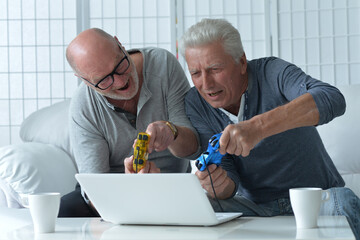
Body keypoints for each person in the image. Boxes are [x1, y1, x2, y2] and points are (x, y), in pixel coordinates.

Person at [180, 18, 359, 239]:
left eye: (215, 69)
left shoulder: (271, 72)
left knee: (346, 201)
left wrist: (258, 127)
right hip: (256, 206)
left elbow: (332, 99)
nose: (206, 84)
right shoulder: (195, 103)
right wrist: (218, 182)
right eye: (196, 73)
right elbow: (229, 182)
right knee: (200, 210)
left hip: (316, 198)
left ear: (242, 62)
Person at [59, 28, 200, 217]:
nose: (120, 82)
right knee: (62, 211)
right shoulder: (83, 104)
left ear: (120, 45)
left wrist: (171, 132)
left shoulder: (163, 65)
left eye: (120, 66)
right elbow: (95, 190)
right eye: (104, 80)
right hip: (113, 193)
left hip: (171, 186)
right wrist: (130, 187)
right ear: (85, 81)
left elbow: (193, 148)